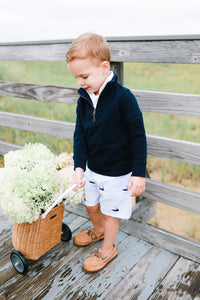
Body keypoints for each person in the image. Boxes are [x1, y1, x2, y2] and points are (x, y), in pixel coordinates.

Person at [66, 32, 147, 273]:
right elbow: (80, 135)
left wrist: (138, 173)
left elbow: (138, 137)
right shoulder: (84, 100)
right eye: (77, 77)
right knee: (91, 206)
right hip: (93, 169)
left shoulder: (123, 98)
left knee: (109, 213)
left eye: (84, 76)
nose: (80, 82)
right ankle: (98, 230)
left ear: (104, 67)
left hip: (117, 173)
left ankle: (107, 248)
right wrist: (79, 168)